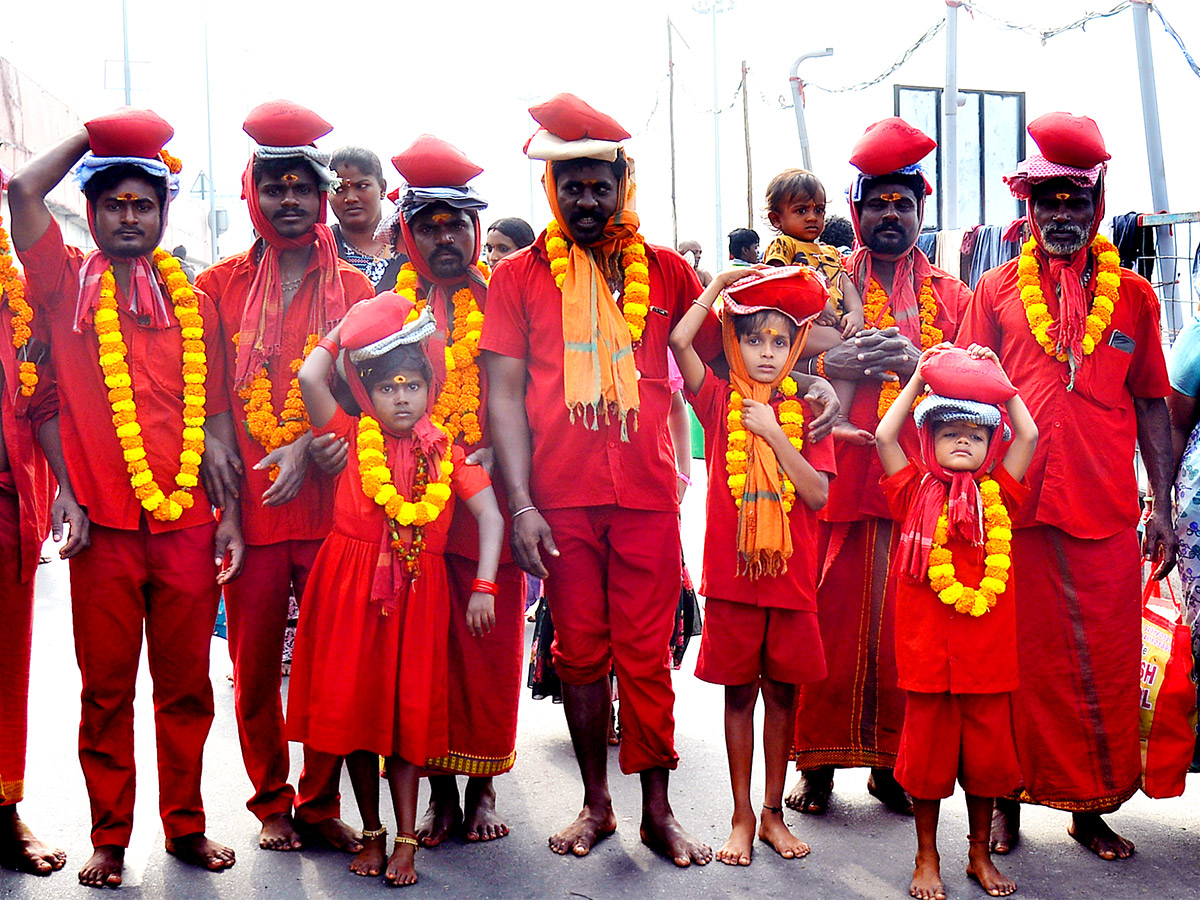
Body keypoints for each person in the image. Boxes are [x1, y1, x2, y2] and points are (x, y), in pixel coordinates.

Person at [8, 108, 243, 886]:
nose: (130, 217)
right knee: (105, 691)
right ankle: (110, 836)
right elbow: (21, 188)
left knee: (186, 690)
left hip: (184, 523)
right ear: (95, 210)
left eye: (144, 204)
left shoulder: (196, 300)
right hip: (102, 529)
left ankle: (185, 827)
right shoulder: (61, 280)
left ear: (164, 212)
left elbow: (214, 414)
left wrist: (227, 505)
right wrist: (97, 137)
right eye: (116, 203)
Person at [483, 93, 716, 867]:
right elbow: (505, 397)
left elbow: (724, 360)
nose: (586, 201)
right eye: (570, 187)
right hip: (559, 500)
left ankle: (658, 811)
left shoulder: (671, 273)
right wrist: (520, 506)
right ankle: (596, 805)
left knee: (646, 658)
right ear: (551, 192)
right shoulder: (518, 277)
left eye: (599, 186)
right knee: (580, 654)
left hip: (648, 496)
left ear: (624, 186)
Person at [958, 112, 1176, 860]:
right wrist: (962, 497)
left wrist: (1166, 510)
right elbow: (962, 397)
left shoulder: (1139, 300)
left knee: (1102, 668)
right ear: (1030, 206)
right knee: (1006, 666)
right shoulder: (991, 290)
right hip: (1011, 512)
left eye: (1073, 201)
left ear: (1097, 201)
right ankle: (1003, 809)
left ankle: (1089, 809)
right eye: (1046, 200)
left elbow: (1153, 405)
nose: (1060, 215)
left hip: (1104, 515)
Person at [194, 101, 374, 854]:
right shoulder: (217, 287)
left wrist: (317, 441)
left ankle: (320, 801)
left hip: (336, 508)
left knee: (334, 665)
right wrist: (219, 474)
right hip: (255, 510)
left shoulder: (359, 294)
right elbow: (207, 404)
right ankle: (271, 801)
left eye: (304, 185)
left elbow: (382, 404)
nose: (291, 199)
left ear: (323, 193)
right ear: (253, 194)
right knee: (256, 664)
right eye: (276, 187)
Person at [289, 292, 504, 885]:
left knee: (408, 715)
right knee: (359, 715)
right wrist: (346, 330)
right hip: (349, 590)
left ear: (429, 388)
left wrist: (484, 584)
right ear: (366, 394)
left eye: (412, 385)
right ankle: (374, 833)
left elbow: (491, 517)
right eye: (387, 388)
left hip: (420, 594)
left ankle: (406, 838)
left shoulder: (448, 452)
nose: (401, 397)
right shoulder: (351, 435)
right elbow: (312, 374)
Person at [789, 117, 970, 818]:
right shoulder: (818, 284)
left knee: (906, 630)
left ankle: (893, 765)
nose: (890, 216)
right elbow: (761, 355)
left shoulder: (952, 296)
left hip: (915, 488)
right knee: (824, 624)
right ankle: (819, 765)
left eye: (904, 204)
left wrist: (921, 366)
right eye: (877, 204)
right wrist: (823, 361)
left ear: (921, 214)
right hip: (832, 481)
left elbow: (979, 384)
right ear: (856, 213)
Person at [671, 265, 835, 866]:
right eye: (752, 339)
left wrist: (775, 433)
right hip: (734, 578)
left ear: (794, 347)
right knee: (738, 695)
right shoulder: (718, 401)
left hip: (792, 580)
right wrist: (715, 289)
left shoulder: (808, 410)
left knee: (784, 696)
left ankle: (772, 814)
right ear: (734, 343)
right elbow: (680, 342)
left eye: (779, 341)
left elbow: (817, 495)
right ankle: (741, 813)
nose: (766, 354)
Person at [876, 343, 1037, 900]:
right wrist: (922, 375)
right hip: (927, 656)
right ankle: (926, 856)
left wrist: (999, 380)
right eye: (948, 432)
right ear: (929, 440)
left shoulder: (1001, 496)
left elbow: (1031, 435)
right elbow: (882, 435)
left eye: (975, 432)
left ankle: (976, 856)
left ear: (993, 445)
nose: (963, 439)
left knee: (988, 765)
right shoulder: (912, 492)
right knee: (925, 765)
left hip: (988, 658)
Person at [0, 178, 80, 878]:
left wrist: (64, 486)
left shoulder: (17, 293)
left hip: (4, 500)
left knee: (4, 670)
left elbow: (42, 396)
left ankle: (2, 814)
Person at [763, 168, 866, 443]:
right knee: (854, 348)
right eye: (801, 210)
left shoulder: (830, 252)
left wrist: (856, 312)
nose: (812, 217)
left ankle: (840, 419)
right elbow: (777, 280)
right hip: (797, 326)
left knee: (853, 351)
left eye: (818, 210)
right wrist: (816, 304)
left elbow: (845, 283)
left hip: (831, 327)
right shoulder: (782, 245)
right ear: (777, 218)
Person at [329, 146, 405, 291]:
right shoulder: (319, 249)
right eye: (339, 189)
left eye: (362, 186)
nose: (350, 198)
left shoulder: (412, 248)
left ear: (382, 188)